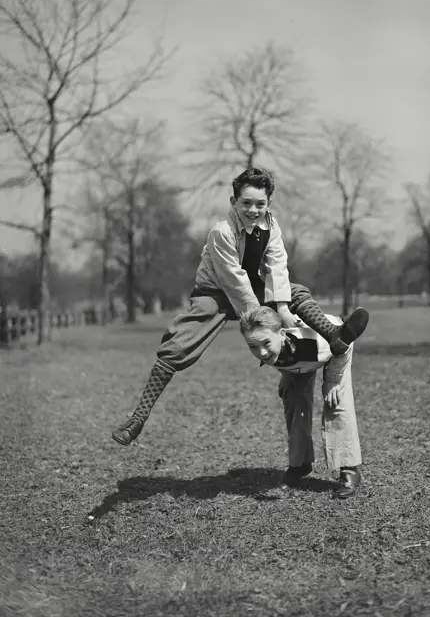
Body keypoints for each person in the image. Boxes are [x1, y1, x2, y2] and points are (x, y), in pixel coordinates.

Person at [112, 168, 369, 446]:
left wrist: (282, 309)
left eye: (260, 204)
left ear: (268, 204)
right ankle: (137, 418)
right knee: (179, 344)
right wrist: (259, 319)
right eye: (246, 203)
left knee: (295, 292)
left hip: (252, 286)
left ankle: (334, 335)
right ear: (233, 202)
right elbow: (234, 281)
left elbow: (277, 268)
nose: (253, 210)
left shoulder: (272, 227)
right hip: (216, 290)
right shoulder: (221, 232)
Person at [239, 305, 364, 499]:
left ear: (281, 334)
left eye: (265, 343)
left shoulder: (311, 343)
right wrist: (287, 375)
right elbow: (278, 356)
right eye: (253, 347)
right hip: (298, 357)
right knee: (293, 400)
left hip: (334, 347)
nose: (261, 352)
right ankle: (300, 464)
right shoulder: (272, 344)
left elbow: (342, 347)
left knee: (336, 402)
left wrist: (332, 380)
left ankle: (349, 469)